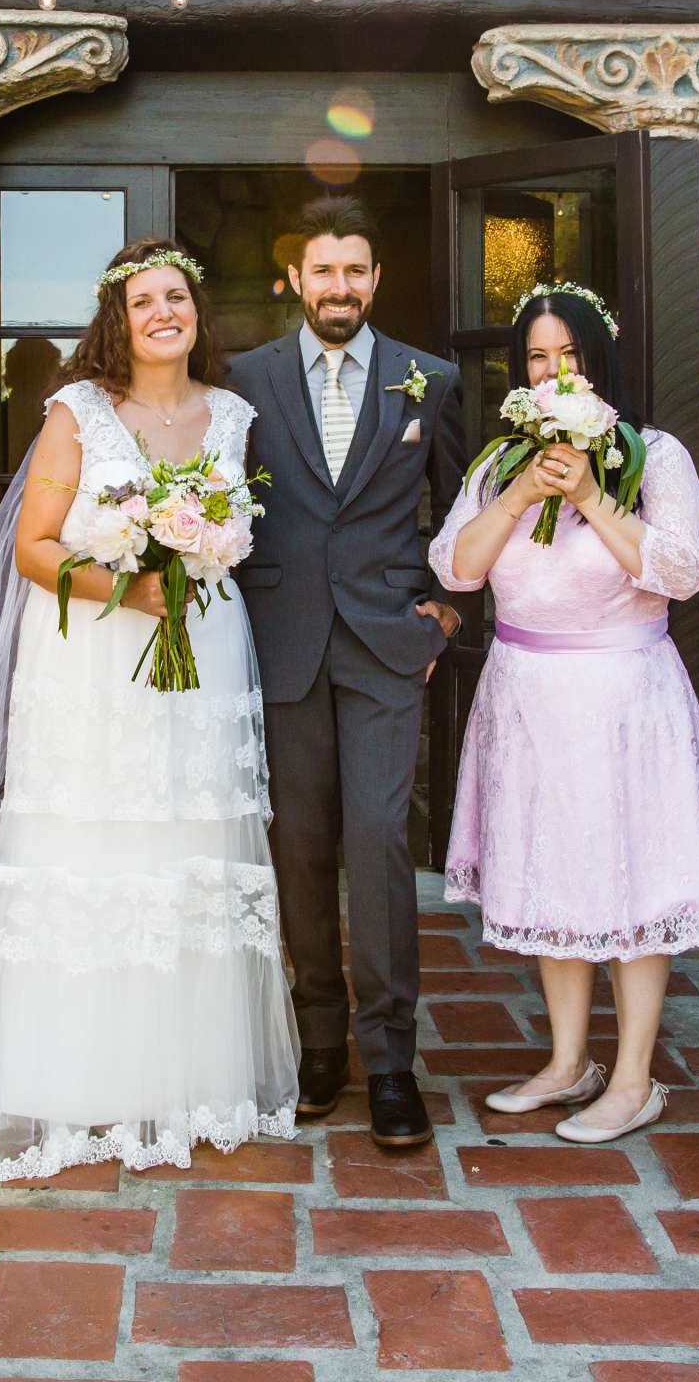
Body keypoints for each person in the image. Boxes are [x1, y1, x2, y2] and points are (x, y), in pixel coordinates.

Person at [0, 239, 297, 1179]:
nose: (164, 312)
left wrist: (192, 557)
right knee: (91, 847)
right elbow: (36, 548)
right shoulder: (77, 411)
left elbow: (232, 533)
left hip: (201, 650)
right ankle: (66, 1075)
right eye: (144, 301)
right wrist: (127, 581)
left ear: (197, 312)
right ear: (116, 321)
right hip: (90, 658)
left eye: (178, 296)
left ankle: (183, 1076)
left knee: (186, 844)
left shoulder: (231, 415)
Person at [430, 284, 699, 1143]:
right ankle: (568, 1062)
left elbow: (679, 572)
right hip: (526, 696)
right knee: (549, 874)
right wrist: (523, 490)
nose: (553, 370)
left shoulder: (653, 456)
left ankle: (635, 1079)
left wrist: (595, 497)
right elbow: (457, 568)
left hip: (624, 698)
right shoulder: (498, 465)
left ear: (598, 363)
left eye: (569, 354)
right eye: (536, 356)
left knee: (634, 876)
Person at [229, 196, 467, 1150]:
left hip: (382, 644)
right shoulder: (244, 378)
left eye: (356, 272)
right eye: (324, 272)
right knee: (300, 849)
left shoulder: (430, 381)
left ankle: (391, 1059)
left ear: (377, 279)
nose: (340, 289)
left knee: (376, 843)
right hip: (279, 640)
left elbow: (464, 510)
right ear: (296, 279)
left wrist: (448, 608)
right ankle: (318, 1040)